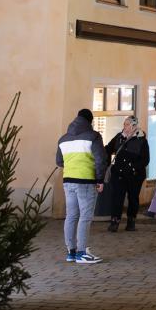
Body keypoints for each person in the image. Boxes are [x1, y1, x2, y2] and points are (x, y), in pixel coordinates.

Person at [57, 108, 107, 264]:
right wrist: (100, 180)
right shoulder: (93, 136)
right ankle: (82, 253)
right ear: (90, 121)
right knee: (85, 217)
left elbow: (59, 162)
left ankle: (71, 252)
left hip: (68, 181)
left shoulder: (63, 139)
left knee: (71, 216)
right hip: (85, 181)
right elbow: (100, 160)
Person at [105, 116, 150, 233]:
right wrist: (106, 164)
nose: (124, 127)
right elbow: (107, 150)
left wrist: (133, 167)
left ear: (134, 126)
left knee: (133, 198)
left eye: (126, 125)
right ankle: (114, 221)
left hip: (134, 175)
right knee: (117, 197)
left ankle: (131, 221)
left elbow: (145, 159)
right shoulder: (119, 137)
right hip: (119, 174)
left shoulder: (141, 140)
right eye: (124, 124)